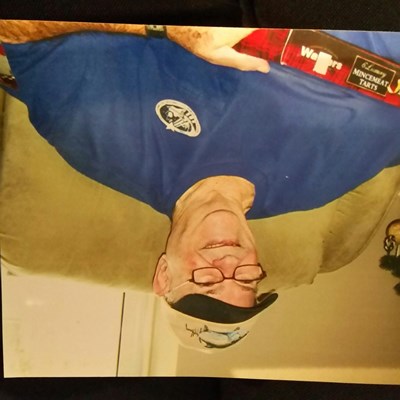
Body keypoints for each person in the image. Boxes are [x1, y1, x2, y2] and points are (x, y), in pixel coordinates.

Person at [1, 21, 399, 351]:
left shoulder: (101, 140)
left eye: (205, 282)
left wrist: (171, 27)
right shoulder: (316, 189)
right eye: (246, 278)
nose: (228, 263)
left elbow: (14, 26)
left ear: (163, 276)